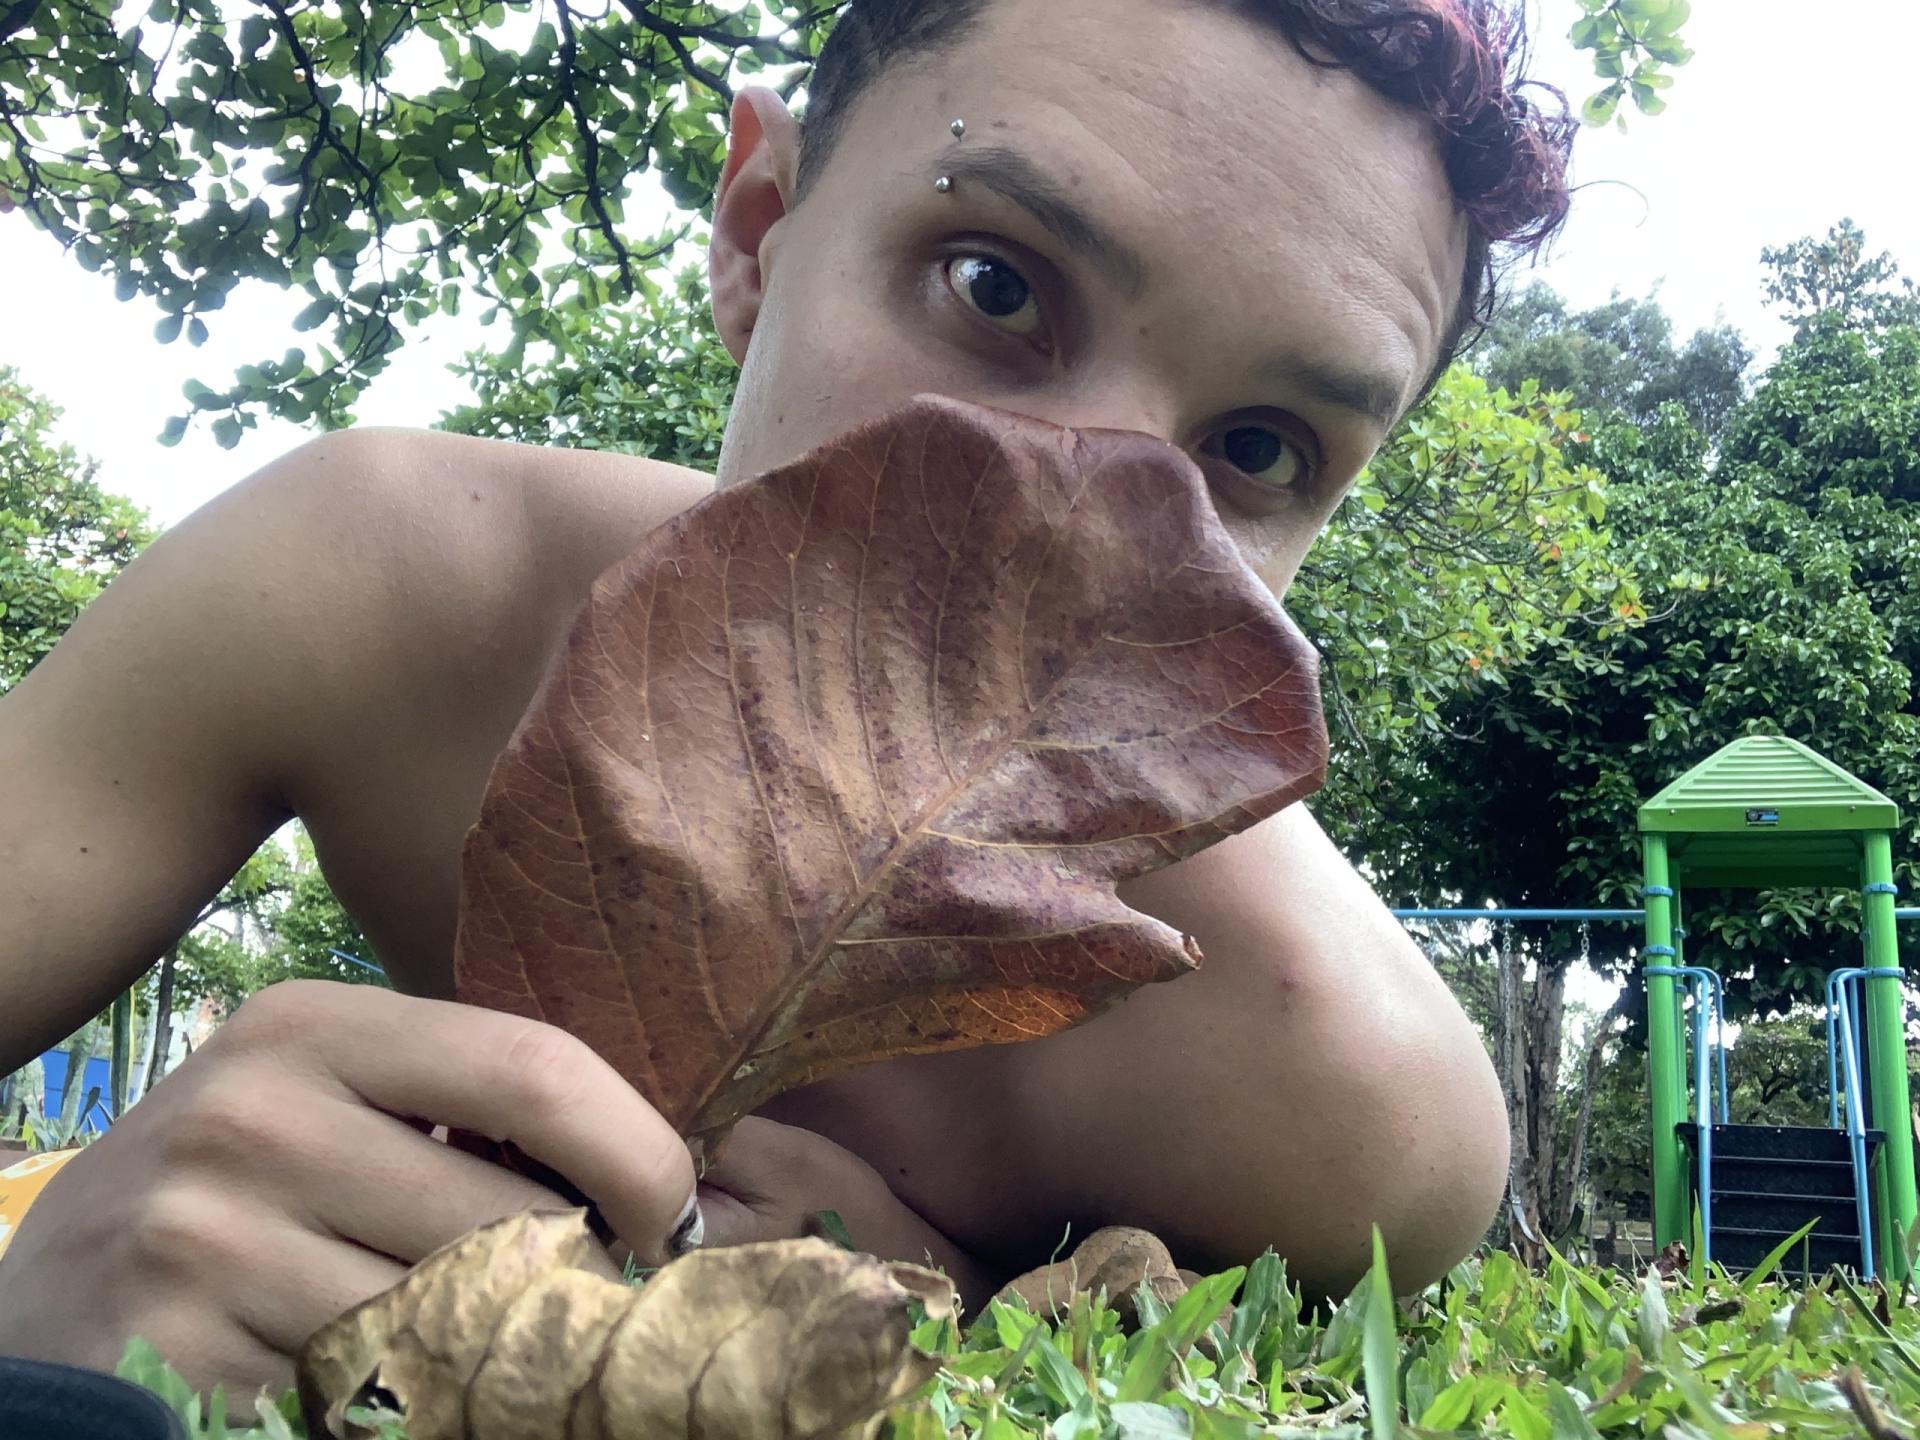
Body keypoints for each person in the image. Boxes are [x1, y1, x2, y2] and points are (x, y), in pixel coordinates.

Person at [0, 0, 1573, 1395]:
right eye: (993, 287)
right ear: (758, 233)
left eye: (1258, 451)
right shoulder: (384, 588)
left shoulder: (1337, 1103)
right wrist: (57, 1278)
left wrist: (952, 1322)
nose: (1075, 525)